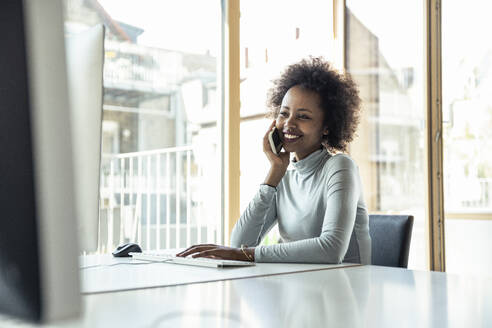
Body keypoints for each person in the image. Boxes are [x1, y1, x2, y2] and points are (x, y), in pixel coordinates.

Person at [177, 57, 371, 264]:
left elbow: (331, 250)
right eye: (284, 113)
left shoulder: (340, 167)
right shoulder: (284, 176)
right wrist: (274, 172)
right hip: (303, 286)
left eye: (303, 117)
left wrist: (247, 254)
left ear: (327, 126)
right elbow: (240, 243)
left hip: (347, 288)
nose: (288, 123)